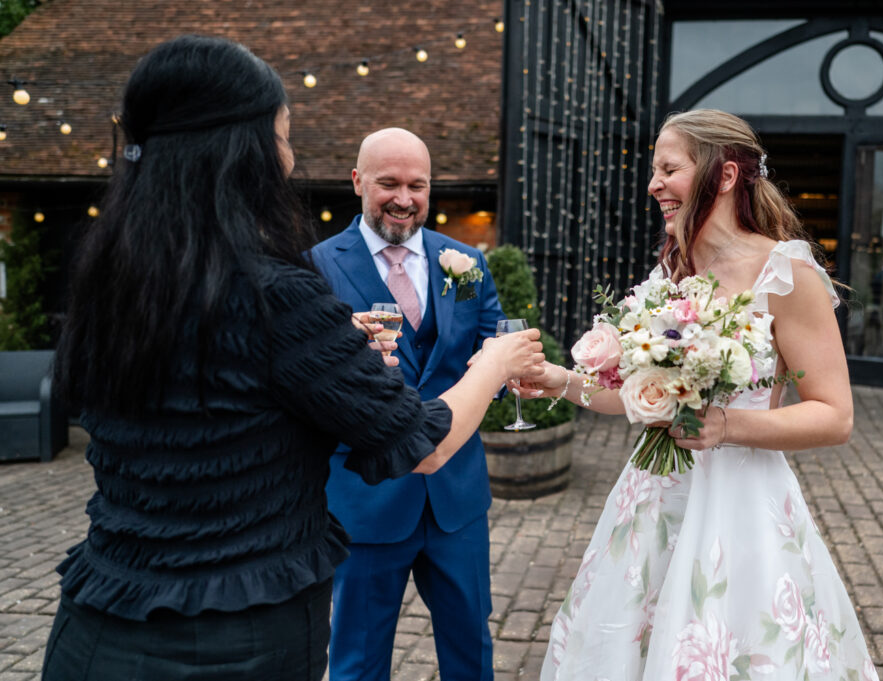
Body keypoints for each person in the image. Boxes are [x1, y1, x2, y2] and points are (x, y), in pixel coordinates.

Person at [43, 35, 543, 681]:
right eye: (282, 137)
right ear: (243, 153)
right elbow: (419, 439)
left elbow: (215, 390)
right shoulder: (280, 287)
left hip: (100, 618)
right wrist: (496, 361)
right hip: (232, 638)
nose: (288, 158)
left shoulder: (111, 279)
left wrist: (329, 351)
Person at [520, 109, 878, 681]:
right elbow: (637, 397)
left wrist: (726, 427)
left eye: (669, 168)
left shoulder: (786, 274)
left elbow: (835, 417)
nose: (654, 184)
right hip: (654, 500)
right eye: (653, 170)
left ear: (727, 175)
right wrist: (561, 381)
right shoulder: (673, 271)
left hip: (742, 505)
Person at [309, 128, 503, 681]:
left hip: (457, 502)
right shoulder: (316, 266)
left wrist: (517, 375)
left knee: (472, 650)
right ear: (357, 182)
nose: (404, 198)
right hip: (366, 501)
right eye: (388, 183)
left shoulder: (463, 263)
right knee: (357, 661)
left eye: (416, 185)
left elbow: (490, 350)